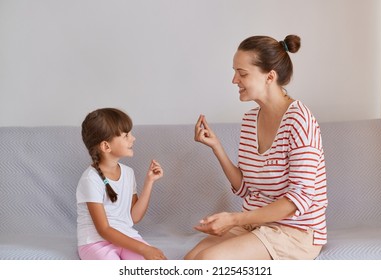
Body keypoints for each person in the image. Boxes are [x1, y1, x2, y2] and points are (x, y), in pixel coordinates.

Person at [185, 35, 327, 260]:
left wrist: (233, 219)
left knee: (207, 261)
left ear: (270, 76)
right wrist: (217, 147)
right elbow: (246, 189)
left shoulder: (300, 120)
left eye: (242, 73)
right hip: (257, 223)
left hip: (295, 232)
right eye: (235, 72)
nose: (234, 80)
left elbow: (298, 200)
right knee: (191, 259)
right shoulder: (250, 120)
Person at [76, 108, 167, 260]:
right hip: (95, 242)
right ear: (106, 146)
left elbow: (134, 217)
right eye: (126, 135)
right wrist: (144, 249)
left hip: (126, 239)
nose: (133, 138)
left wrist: (149, 182)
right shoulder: (90, 180)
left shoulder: (128, 173)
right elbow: (104, 230)